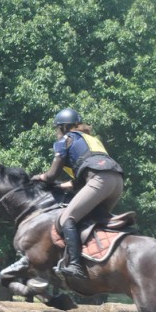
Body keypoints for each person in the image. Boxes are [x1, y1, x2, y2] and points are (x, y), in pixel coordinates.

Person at [31, 108, 124, 280]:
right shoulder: (91, 140)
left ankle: (75, 265)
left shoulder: (65, 140)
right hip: (116, 182)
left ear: (64, 127)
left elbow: (51, 175)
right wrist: (60, 186)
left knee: (68, 219)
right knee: (91, 220)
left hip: (99, 181)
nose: (56, 132)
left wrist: (38, 177)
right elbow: (79, 181)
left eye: (56, 129)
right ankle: (98, 258)